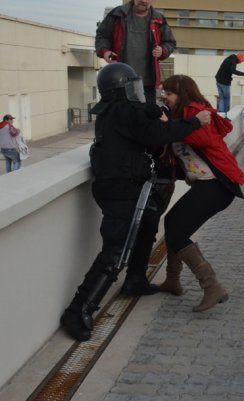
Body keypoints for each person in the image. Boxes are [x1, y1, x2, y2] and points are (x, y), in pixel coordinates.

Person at [60, 63, 210, 341]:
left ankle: (136, 280)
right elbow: (157, 134)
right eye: (133, 86)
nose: (139, 92)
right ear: (123, 88)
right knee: (115, 251)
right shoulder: (124, 111)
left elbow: (145, 118)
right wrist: (194, 122)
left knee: (146, 228)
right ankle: (78, 310)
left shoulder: (114, 110)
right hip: (121, 188)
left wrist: (158, 111)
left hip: (123, 185)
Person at [157, 75, 244, 312]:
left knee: (177, 229)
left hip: (218, 185)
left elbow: (203, 138)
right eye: (164, 92)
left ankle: (212, 287)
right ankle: (173, 280)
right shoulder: (182, 116)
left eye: (170, 92)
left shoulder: (195, 111)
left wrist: (171, 126)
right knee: (173, 224)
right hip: (208, 184)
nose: (165, 97)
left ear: (183, 93)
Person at [95, 0, 175, 99]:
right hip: (120, 80)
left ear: (152, 0)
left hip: (148, 83)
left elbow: (170, 42)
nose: (144, 0)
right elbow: (102, 35)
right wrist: (105, 51)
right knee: (122, 116)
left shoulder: (158, 19)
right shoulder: (117, 14)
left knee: (145, 116)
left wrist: (162, 50)